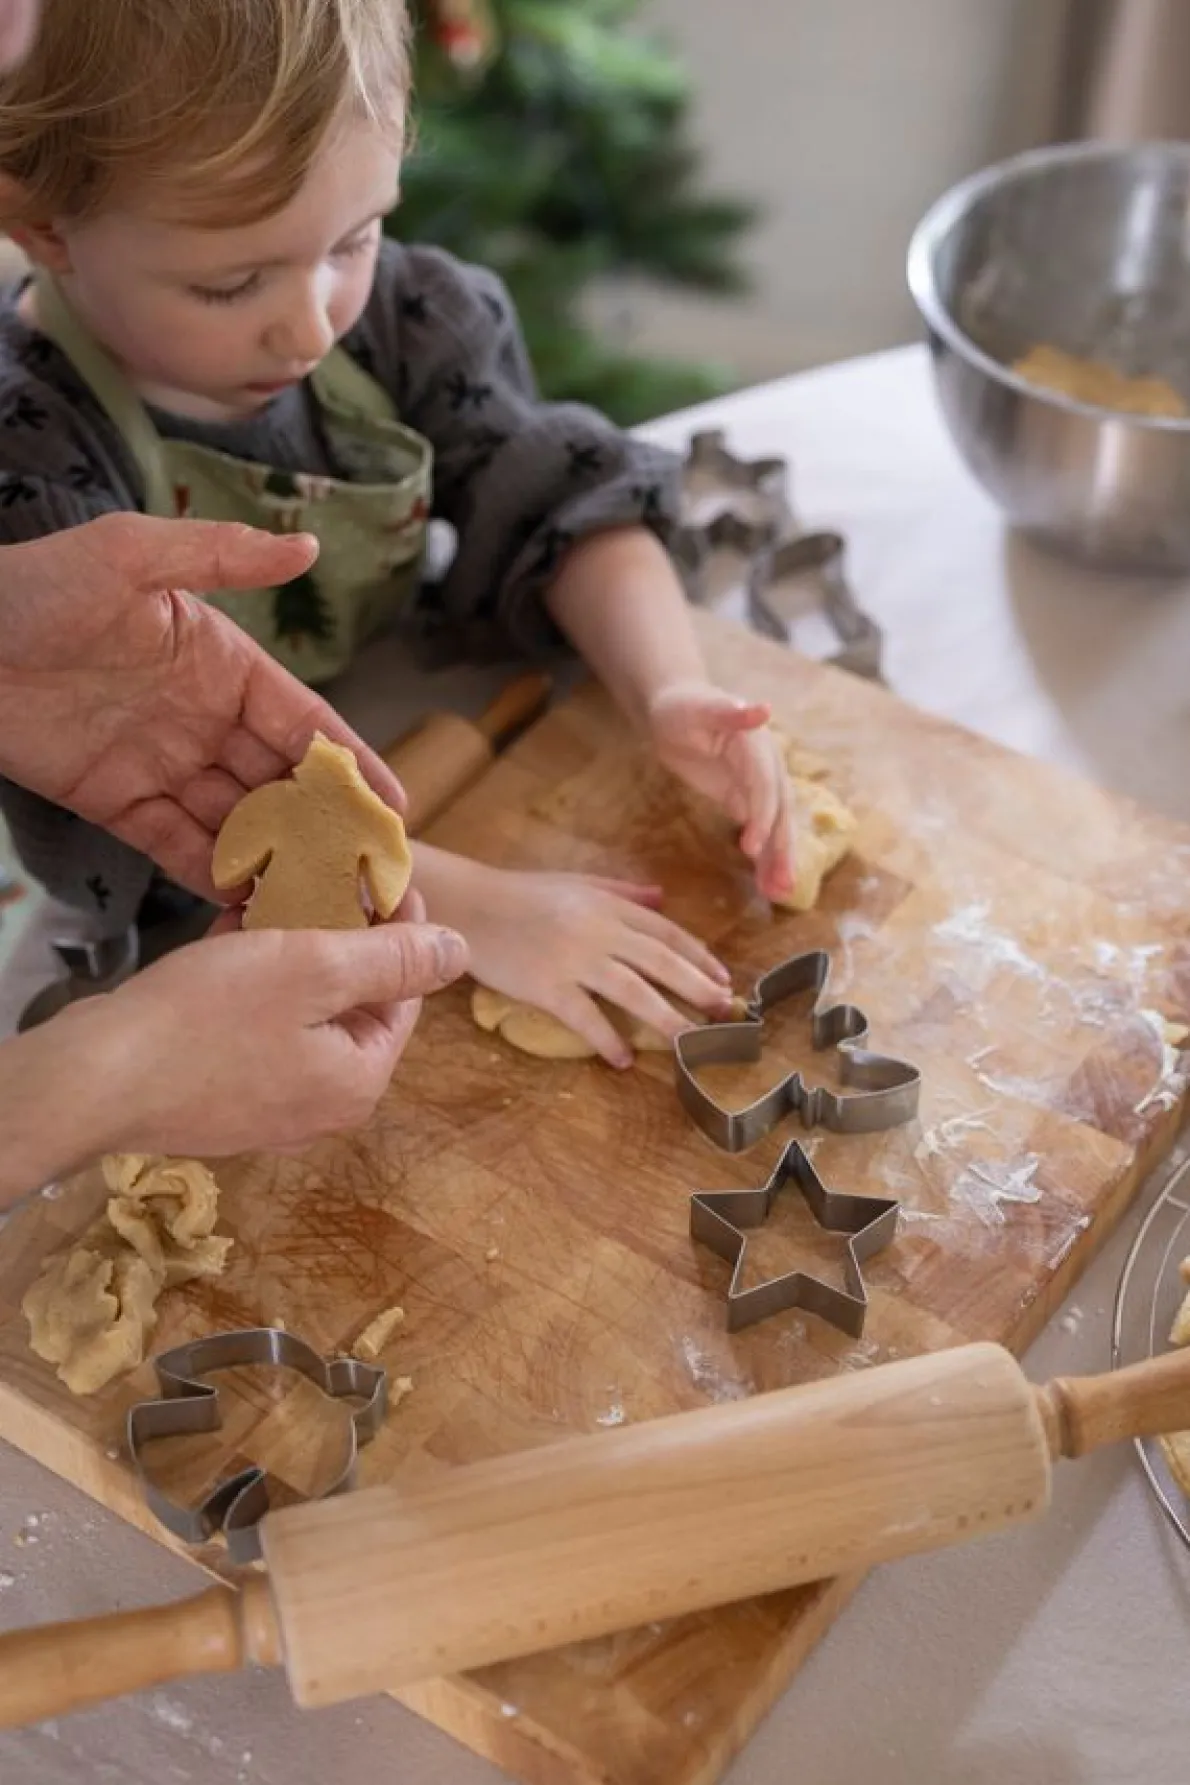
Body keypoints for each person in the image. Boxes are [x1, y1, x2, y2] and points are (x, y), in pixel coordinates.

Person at [0, 0, 798, 1071]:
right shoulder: (29, 454)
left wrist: (666, 688)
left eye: (354, 238)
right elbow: (150, 820)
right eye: (231, 283)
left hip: (425, 752)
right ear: (44, 225)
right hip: (190, 900)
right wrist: (475, 916)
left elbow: (556, 495)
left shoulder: (407, 325)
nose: (311, 320)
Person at [0, 511, 470, 1211]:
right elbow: (240, 854)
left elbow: (361, 864)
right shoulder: (286, 808)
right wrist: (117, 1082)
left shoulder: (341, 813)